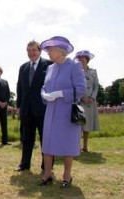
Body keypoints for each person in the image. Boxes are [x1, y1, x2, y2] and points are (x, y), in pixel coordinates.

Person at [38, 36, 86, 188]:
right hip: (51, 111)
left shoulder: (74, 66)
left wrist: (60, 94)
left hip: (66, 111)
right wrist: (44, 94)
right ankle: (46, 174)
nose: (48, 53)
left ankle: (67, 176)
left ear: (60, 51)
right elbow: (44, 86)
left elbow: (81, 89)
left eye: (50, 50)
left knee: (67, 143)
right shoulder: (50, 68)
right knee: (47, 143)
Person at [14, 40, 53, 172]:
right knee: (26, 138)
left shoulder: (49, 65)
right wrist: (18, 106)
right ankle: (24, 164)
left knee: (45, 139)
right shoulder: (23, 67)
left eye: (34, 50)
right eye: (29, 51)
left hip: (43, 108)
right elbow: (19, 87)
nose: (31, 53)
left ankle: (46, 166)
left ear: (40, 51)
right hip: (26, 109)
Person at [75, 50, 100, 152]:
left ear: (87, 59)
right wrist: (82, 97)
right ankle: (76, 146)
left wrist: (92, 98)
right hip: (80, 102)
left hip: (90, 102)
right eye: (80, 58)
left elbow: (96, 87)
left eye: (83, 58)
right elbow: (75, 86)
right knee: (79, 125)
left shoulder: (93, 72)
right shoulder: (76, 72)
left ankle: (85, 146)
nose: (82, 60)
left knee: (87, 125)